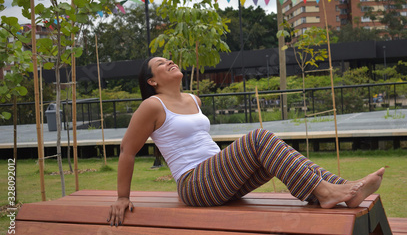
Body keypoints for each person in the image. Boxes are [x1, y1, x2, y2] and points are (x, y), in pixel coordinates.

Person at [107, 57, 385, 226]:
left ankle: (342, 189)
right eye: (160, 64)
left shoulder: (193, 99)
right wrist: (122, 198)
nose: (169, 61)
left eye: (168, 59)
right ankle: (327, 193)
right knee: (260, 138)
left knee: (271, 157)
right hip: (194, 184)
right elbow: (127, 151)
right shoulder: (152, 105)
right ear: (152, 81)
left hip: (218, 178)